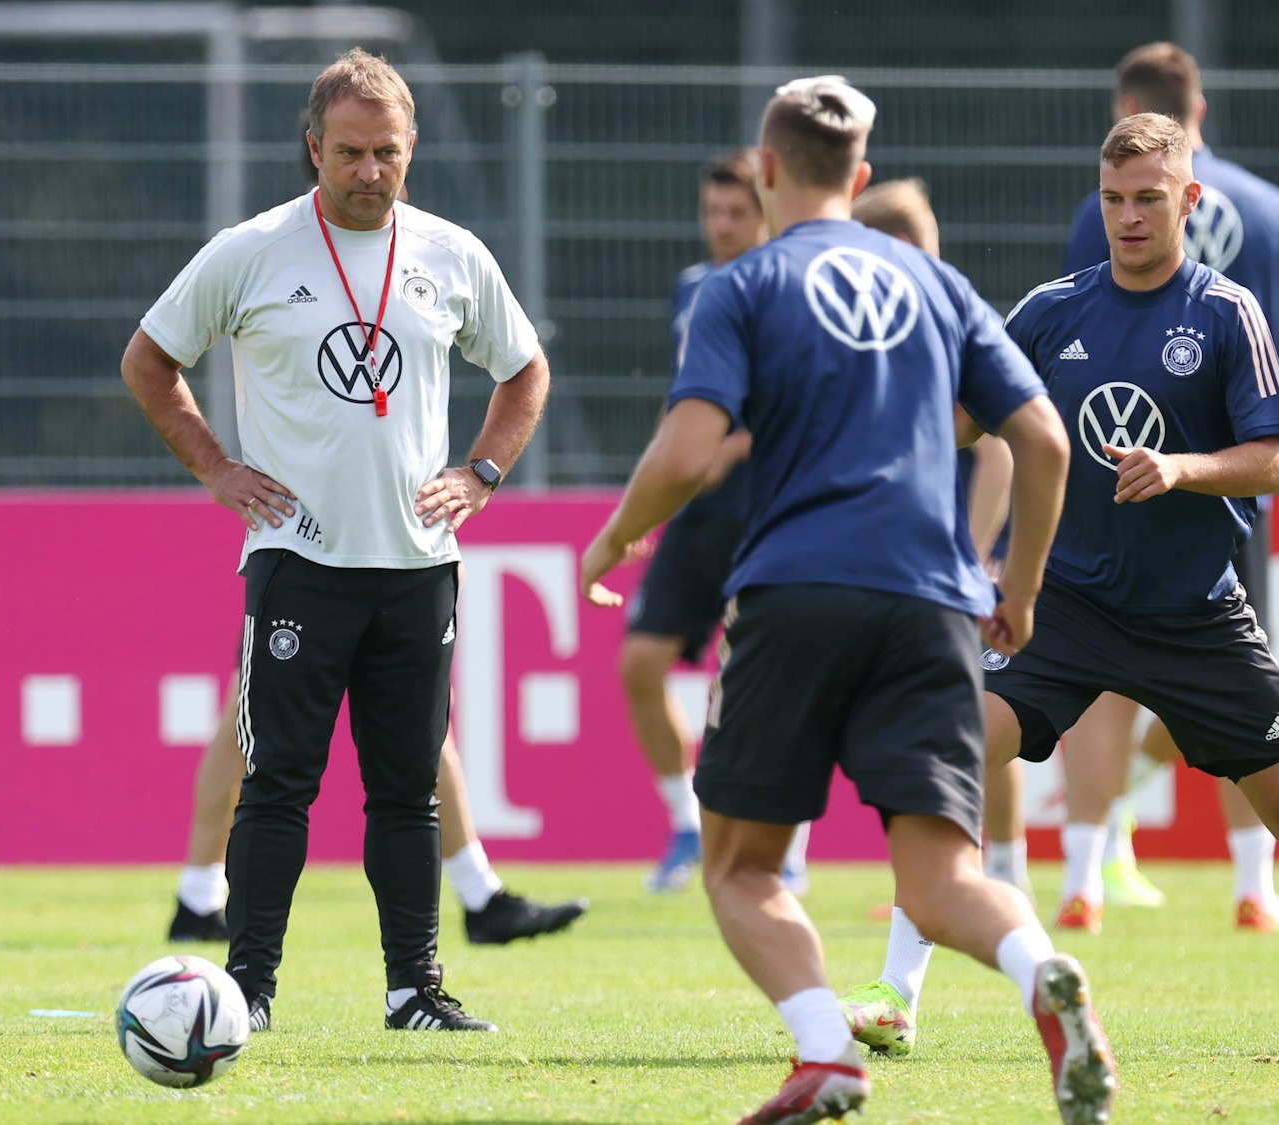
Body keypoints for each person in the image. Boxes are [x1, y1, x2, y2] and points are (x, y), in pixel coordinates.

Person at [582, 76, 1113, 1124]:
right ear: (859, 175)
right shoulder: (937, 285)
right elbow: (1044, 440)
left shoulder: (741, 285)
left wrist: (615, 534)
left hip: (795, 591)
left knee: (740, 867)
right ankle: (1037, 968)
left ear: (765, 170)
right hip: (931, 604)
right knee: (940, 879)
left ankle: (825, 1051)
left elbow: (686, 452)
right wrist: (1017, 589)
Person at [849, 112, 1279, 1062]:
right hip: (1068, 606)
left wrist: (1182, 468)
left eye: (1149, 198)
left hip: (1195, 612)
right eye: (1113, 199)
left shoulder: (1228, 312)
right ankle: (895, 994)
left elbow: (1275, 459)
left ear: (1189, 199)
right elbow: (964, 420)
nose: (1128, 217)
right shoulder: (1051, 310)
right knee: (945, 757)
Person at [121, 48, 550, 1034]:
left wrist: (481, 471)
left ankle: (414, 990)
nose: (368, 170)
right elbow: (149, 359)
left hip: (417, 566)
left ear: (412, 149)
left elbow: (524, 369)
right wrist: (214, 467)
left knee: (407, 792)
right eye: (349, 151)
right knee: (278, 786)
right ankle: (248, 991)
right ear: (312, 147)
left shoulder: (450, 253)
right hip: (298, 563)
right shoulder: (253, 250)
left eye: (386, 152)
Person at [1047, 41, 1279, 932]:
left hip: (1111, 465)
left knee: (1104, 680)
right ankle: (1253, 885)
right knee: (1240, 669)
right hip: (1233, 482)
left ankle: (1085, 872)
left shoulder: (1104, 205)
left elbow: (1084, 333)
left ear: (1129, 111)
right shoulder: (1273, 209)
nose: (1129, 213)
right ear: (1200, 105)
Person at [610, 151, 815, 896]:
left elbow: (803, 400)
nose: (722, 226)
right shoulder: (694, 288)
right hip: (696, 515)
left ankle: (786, 845)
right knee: (639, 664)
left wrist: (732, 448)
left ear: (766, 214)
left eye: (737, 213)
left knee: (763, 680)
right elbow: (682, 405)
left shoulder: (790, 287)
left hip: (768, 511)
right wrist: (647, 500)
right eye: (712, 212)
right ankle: (686, 825)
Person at [851, 177, 1035, 909]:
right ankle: (975, 876)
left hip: (961, 555)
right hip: (934, 553)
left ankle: (998, 877)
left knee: (974, 708)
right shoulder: (914, 317)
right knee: (960, 712)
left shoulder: (947, 319)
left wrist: (975, 553)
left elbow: (1001, 449)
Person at [168, 690, 588, 946]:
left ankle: (480, 895)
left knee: (423, 722)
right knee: (252, 713)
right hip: (317, 575)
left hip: (380, 576)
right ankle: (198, 899)